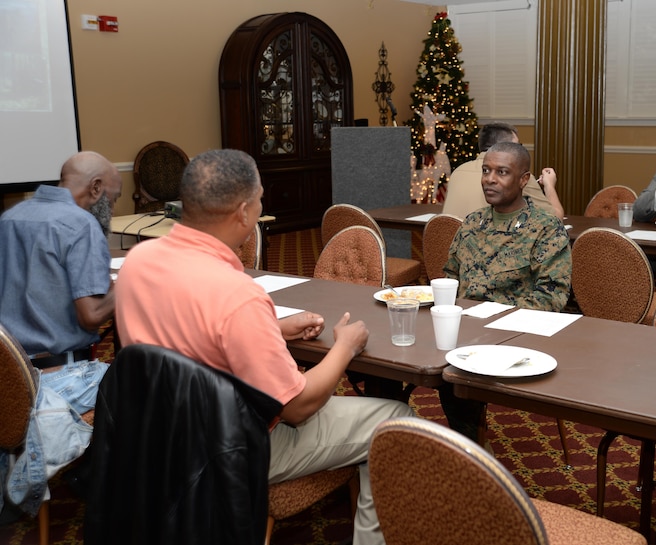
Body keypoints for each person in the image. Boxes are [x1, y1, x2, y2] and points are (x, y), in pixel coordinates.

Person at [115, 149, 414, 545]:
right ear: (242, 212)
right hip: (229, 447)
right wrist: (345, 346)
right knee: (397, 419)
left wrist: (271, 328)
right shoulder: (238, 296)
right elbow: (296, 407)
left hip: (157, 436)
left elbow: (185, 339)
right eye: (259, 200)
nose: (261, 207)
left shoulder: (137, 262)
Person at [0, 151, 121, 515]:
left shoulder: (10, 217)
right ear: (96, 188)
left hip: (10, 374)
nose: (110, 211)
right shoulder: (79, 224)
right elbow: (91, 316)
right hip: (56, 377)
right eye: (112, 199)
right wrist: (131, 283)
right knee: (146, 379)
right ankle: (96, 480)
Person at [439, 142, 572, 441]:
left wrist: (489, 314)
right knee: (393, 360)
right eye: (487, 171)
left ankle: (469, 453)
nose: (490, 179)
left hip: (514, 333)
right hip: (464, 329)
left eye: (502, 172)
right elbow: (450, 275)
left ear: (524, 180)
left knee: (455, 376)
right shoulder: (473, 223)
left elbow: (552, 297)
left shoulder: (545, 227)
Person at [443, 122, 565, 220]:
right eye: (517, 146)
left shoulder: (458, 172)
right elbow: (555, 219)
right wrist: (549, 185)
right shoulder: (516, 177)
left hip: (448, 245)